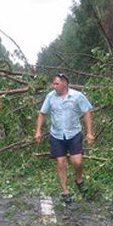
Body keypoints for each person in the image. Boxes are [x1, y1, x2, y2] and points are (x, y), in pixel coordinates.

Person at [35, 73, 95, 203]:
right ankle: (66, 191)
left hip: (74, 133)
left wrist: (90, 132)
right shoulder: (50, 97)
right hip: (56, 135)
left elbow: (87, 112)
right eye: (54, 83)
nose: (54, 86)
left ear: (65, 84)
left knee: (77, 162)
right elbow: (42, 113)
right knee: (61, 162)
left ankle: (78, 179)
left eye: (56, 83)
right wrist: (38, 131)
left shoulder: (77, 96)